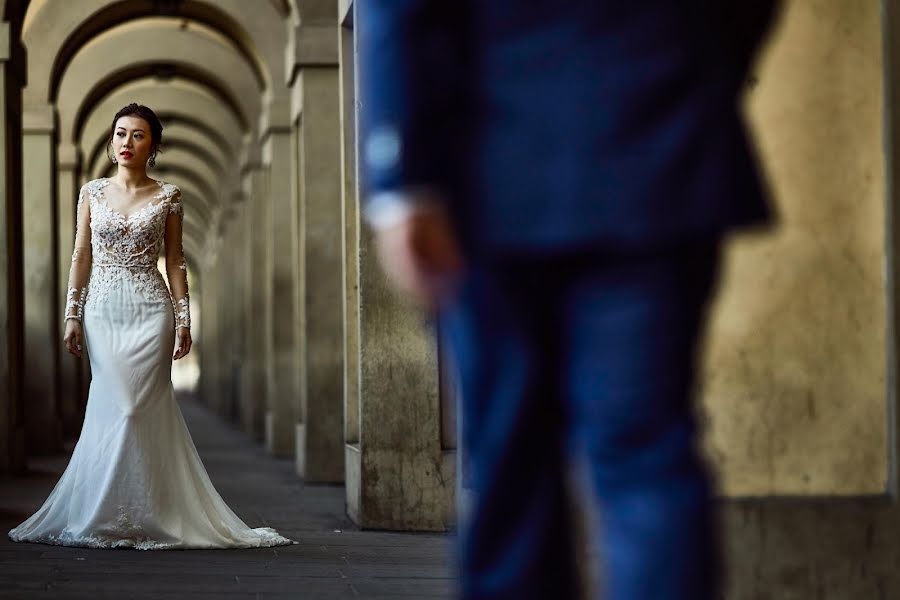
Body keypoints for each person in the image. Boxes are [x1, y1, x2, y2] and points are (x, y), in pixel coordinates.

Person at [358, 2, 778, 599]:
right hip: (655, 147)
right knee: (645, 459)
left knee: (509, 463)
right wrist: (691, 81)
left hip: (490, 162)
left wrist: (401, 180)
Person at [8, 103, 291, 550]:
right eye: (121, 134)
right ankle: (105, 511)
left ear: (153, 145)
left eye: (138, 135)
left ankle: (150, 511)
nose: (127, 143)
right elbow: (81, 256)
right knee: (114, 405)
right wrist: (72, 313)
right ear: (111, 139)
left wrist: (184, 318)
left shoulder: (169, 196)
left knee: (140, 407)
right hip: (103, 310)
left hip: (150, 310)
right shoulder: (91, 193)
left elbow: (176, 261)